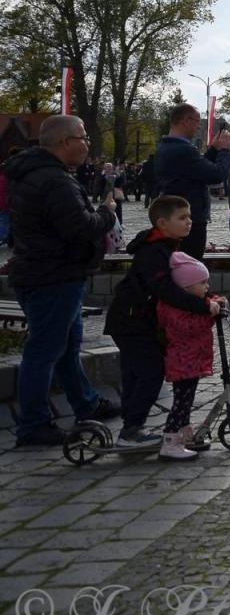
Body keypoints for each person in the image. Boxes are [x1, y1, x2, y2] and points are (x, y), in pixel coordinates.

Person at [3, 116, 122, 447]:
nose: (87, 144)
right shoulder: (54, 181)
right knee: (44, 351)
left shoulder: (36, 174)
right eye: (83, 137)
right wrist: (108, 211)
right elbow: (81, 228)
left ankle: (85, 403)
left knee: (67, 347)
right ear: (65, 143)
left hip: (51, 272)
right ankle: (34, 424)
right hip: (52, 277)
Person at [106, 196, 217, 448]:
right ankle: (131, 431)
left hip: (137, 320)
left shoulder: (166, 245)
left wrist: (209, 298)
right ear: (162, 223)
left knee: (136, 373)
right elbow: (166, 288)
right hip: (131, 320)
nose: (189, 222)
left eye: (189, 216)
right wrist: (202, 306)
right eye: (182, 218)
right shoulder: (154, 251)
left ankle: (131, 425)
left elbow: (183, 286)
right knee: (150, 371)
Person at [155, 251, 227, 460]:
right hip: (183, 363)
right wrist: (209, 312)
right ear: (186, 288)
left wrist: (216, 302)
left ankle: (184, 434)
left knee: (187, 399)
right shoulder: (175, 308)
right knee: (181, 402)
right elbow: (190, 327)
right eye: (202, 283)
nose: (206, 287)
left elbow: (205, 302)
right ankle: (170, 441)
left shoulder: (192, 302)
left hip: (191, 362)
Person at [151, 104, 230, 260]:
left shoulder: (168, 146)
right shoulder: (183, 149)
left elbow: (197, 171)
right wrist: (225, 151)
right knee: (189, 266)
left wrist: (214, 150)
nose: (198, 126)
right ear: (186, 121)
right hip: (189, 219)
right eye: (197, 121)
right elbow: (215, 175)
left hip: (176, 215)